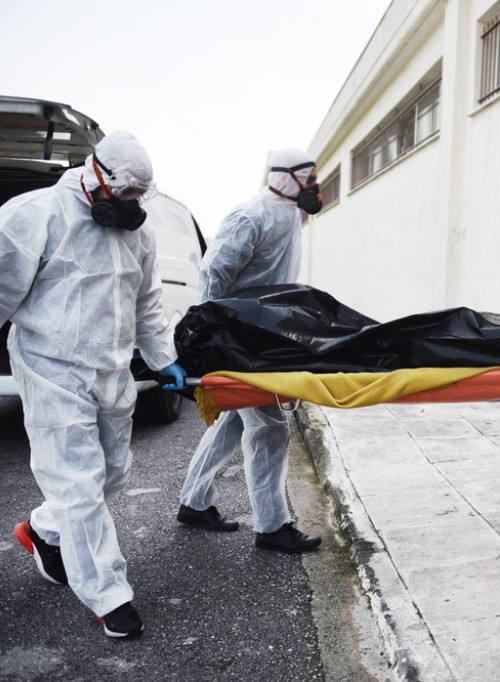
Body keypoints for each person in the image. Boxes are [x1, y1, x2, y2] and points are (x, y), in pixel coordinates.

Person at [2, 131, 187, 639]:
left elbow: (147, 303)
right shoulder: (35, 215)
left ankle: (42, 529)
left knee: (111, 475)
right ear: (94, 172)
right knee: (80, 485)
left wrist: (163, 358)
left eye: (138, 196)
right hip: (50, 368)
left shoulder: (139, 234)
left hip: (112, 369)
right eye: (124, 192)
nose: (130, 204)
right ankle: (110, 597)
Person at [177, 148, 323, 553]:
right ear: (283, 177)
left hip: (268, 332)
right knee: (270, 427)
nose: (314, 186)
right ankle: (272, 526)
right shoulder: (250, 216)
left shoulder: (291, 213)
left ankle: (193, 501)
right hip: (241, 335)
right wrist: (214, 333)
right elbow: (214, 273)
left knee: (234, 423)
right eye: (308, 179)